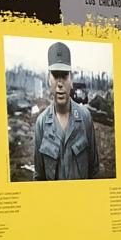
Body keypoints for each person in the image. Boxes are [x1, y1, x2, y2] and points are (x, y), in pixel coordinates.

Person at [33, 41, 100, 180]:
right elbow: (39, 177)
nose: (59, 84)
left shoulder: (85, 117)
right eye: (55, 75)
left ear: (71, 79)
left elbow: (94, 170)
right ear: (48, 79)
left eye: (64, 75)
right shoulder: (41, 123)